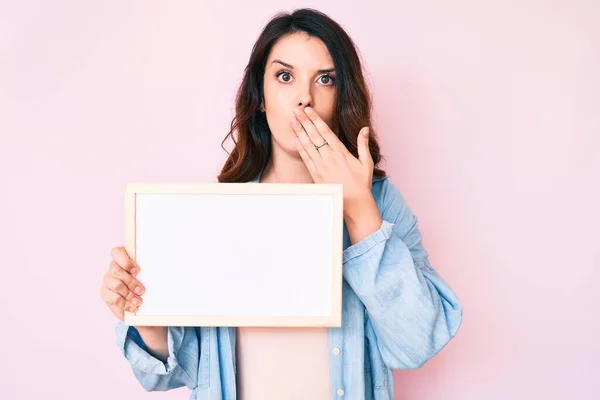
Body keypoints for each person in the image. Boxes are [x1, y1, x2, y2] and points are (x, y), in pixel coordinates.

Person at [100, 8, 463, 400]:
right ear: (260, 96)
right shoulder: (215, 211)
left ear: (342, 97)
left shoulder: (379, 202)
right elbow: (177, 372)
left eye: (325, 79)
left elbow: (418, 341)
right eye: (285, 76)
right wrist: (143, 309)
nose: (304, 98)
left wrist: (358, 211)